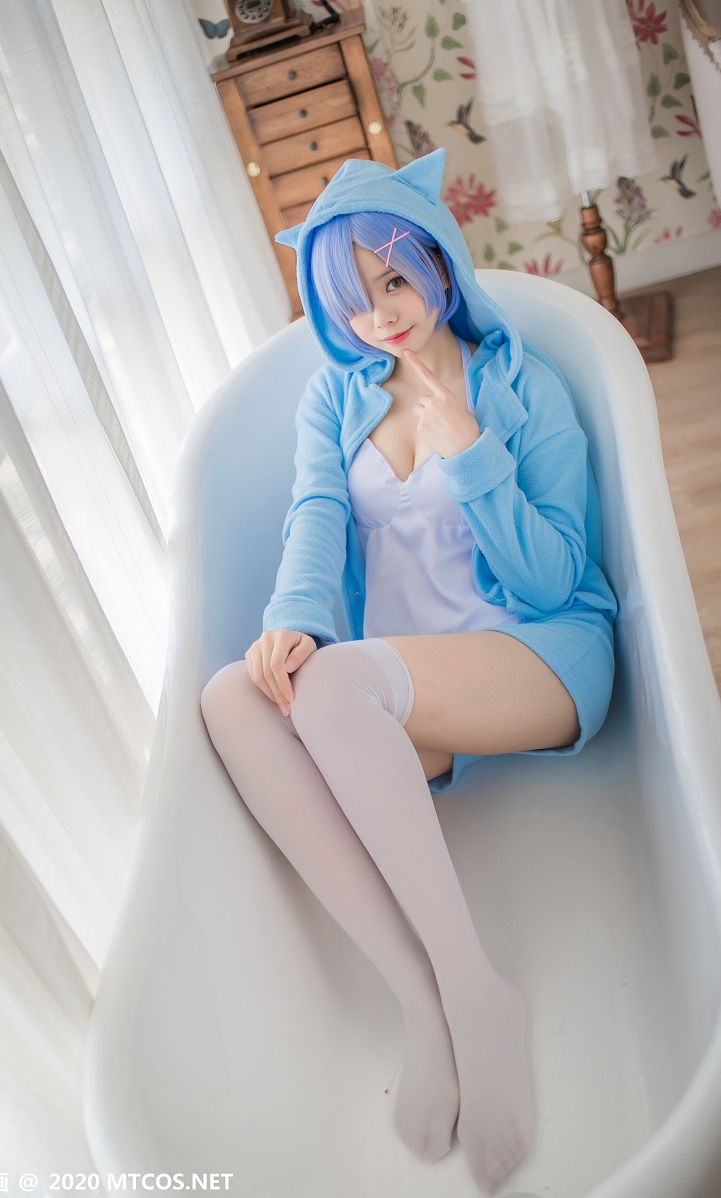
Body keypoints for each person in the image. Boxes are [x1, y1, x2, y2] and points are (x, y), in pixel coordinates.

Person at [200, 148, 617, 1194]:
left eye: (394, 279)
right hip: (407, 686)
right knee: (232, 698)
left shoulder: (522, 382)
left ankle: (478, 993)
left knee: (339, 686)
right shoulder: (333, 399)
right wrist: (293, 621)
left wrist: (468, 448)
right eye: (351, 299)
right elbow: (314, 515)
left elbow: (557, 575)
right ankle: (421, 1000)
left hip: (539, 652)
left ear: (437, 261)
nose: (379, 314)